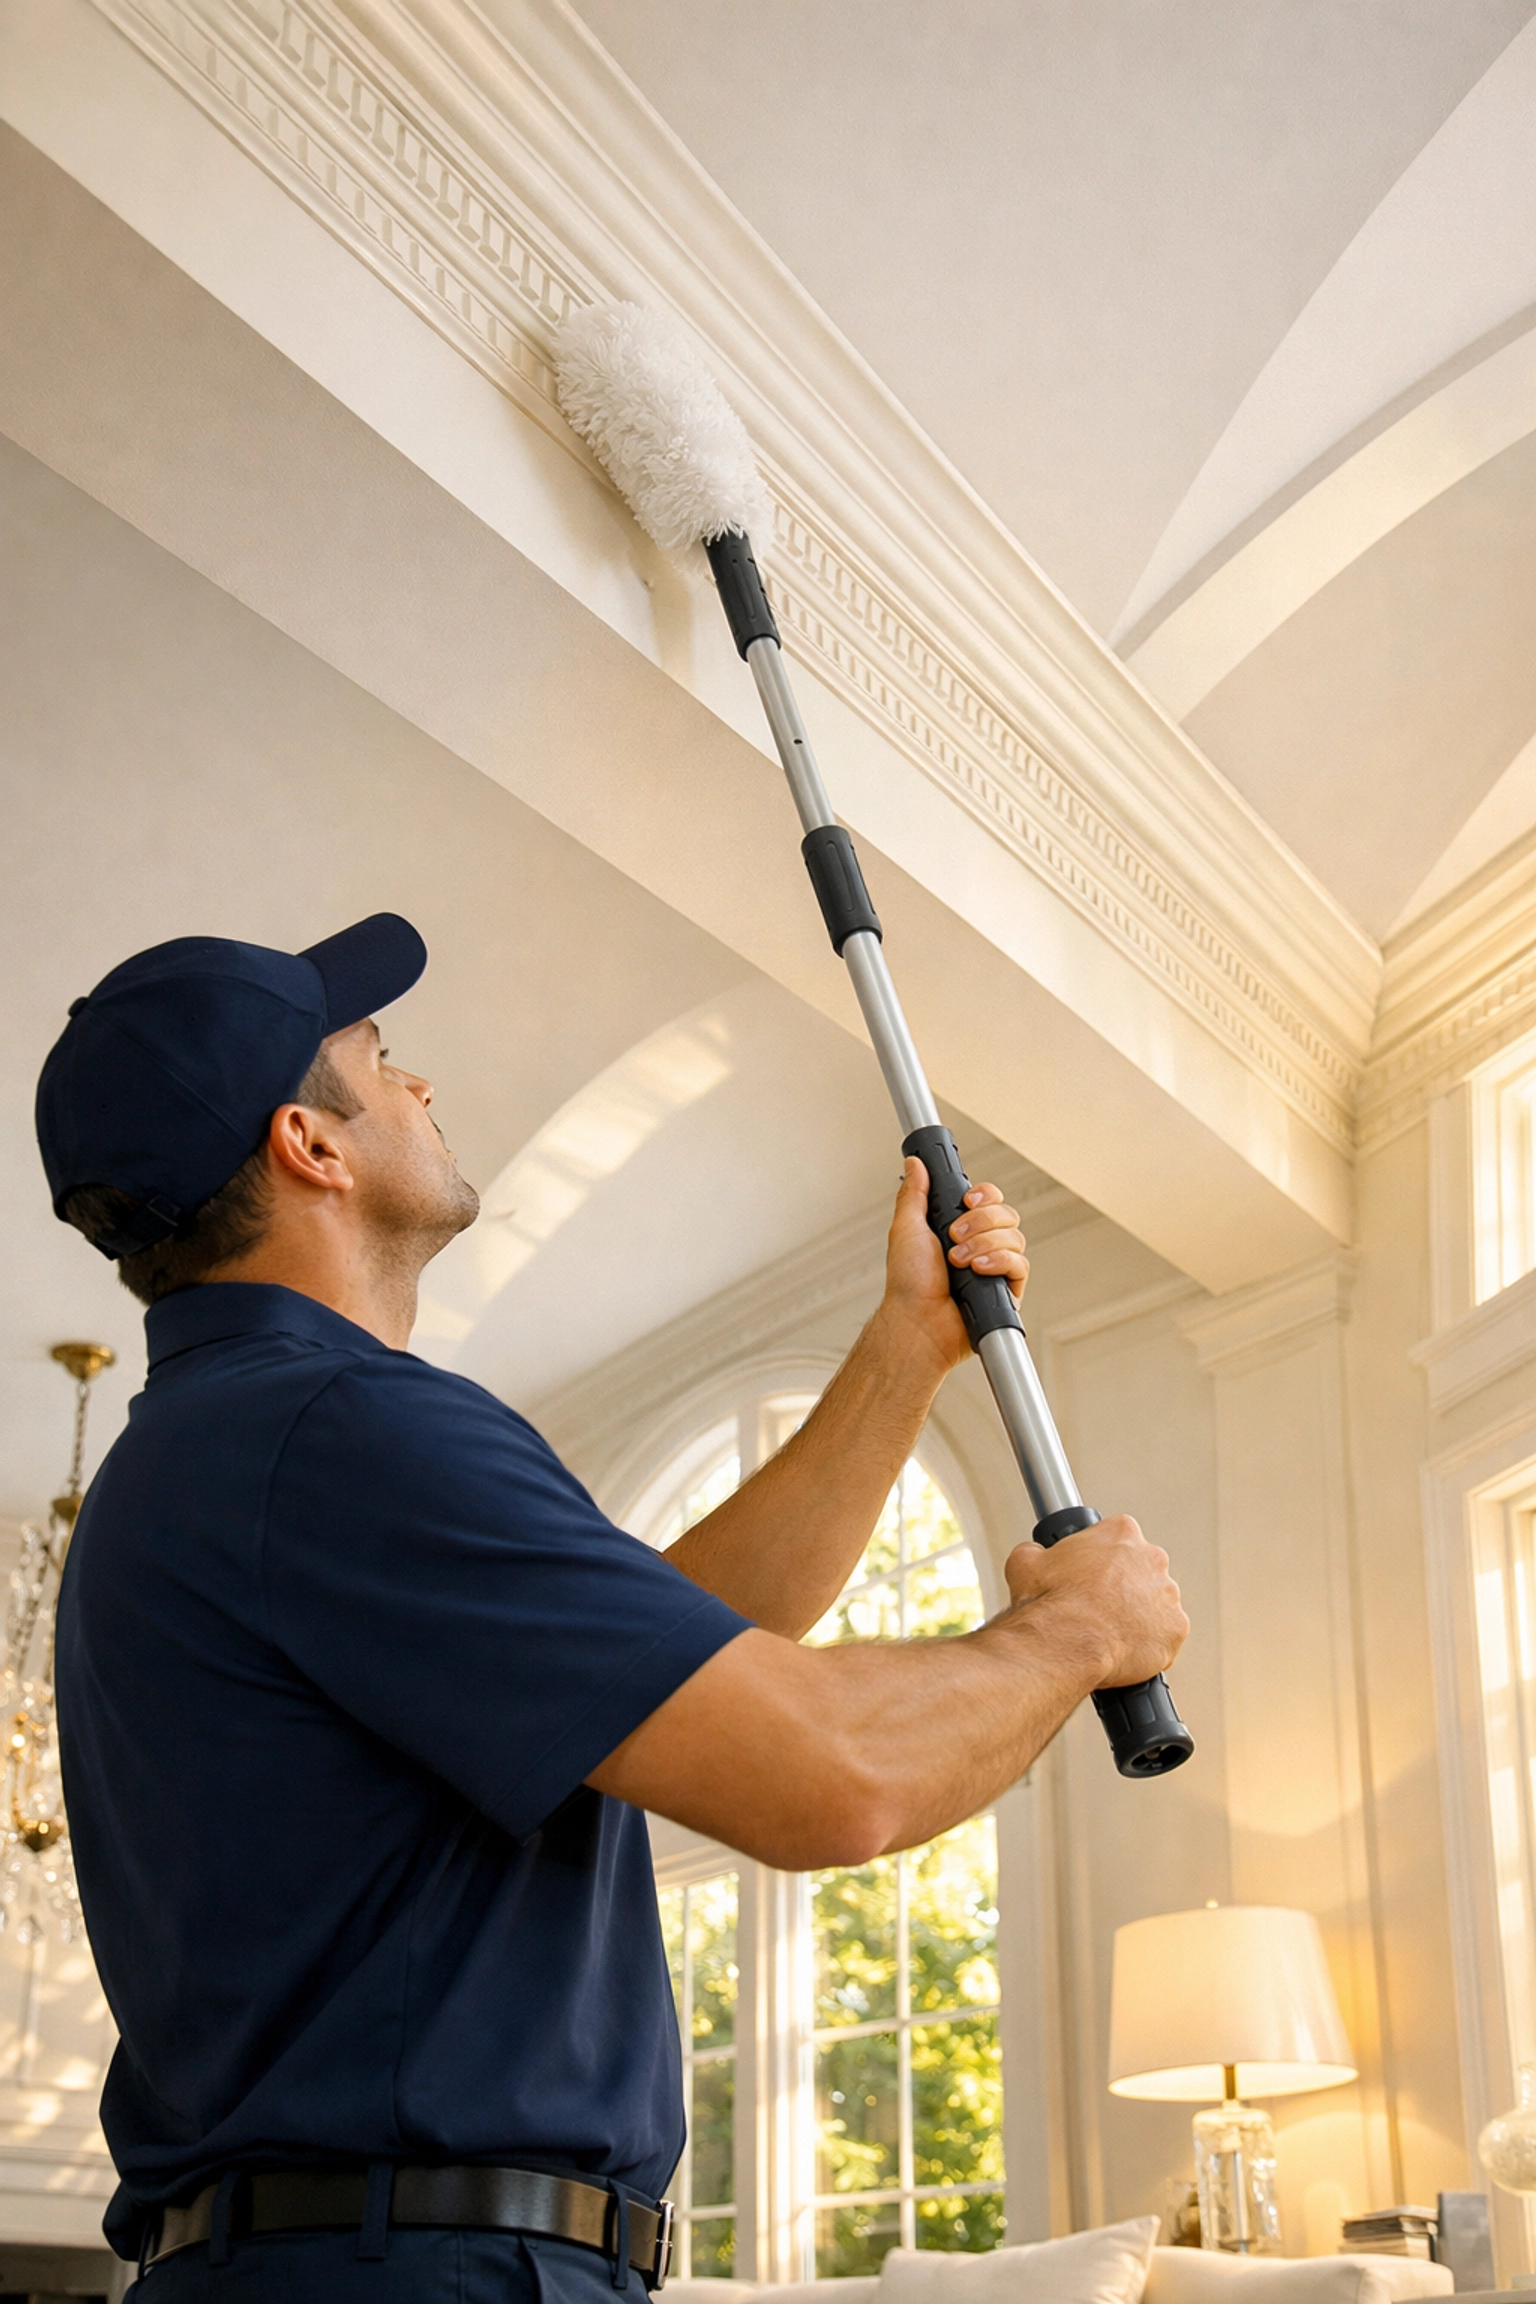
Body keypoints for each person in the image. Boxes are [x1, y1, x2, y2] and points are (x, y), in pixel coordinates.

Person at [35, 914, 1186, 2302]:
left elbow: (669, 1647)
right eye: (382, 1061)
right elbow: (835, 1779)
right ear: (311, 1145)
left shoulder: (210, 1456)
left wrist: (905, 1350)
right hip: (429, 2274)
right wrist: (1078, 1630)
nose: (422, 1084)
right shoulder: (343, 1429)